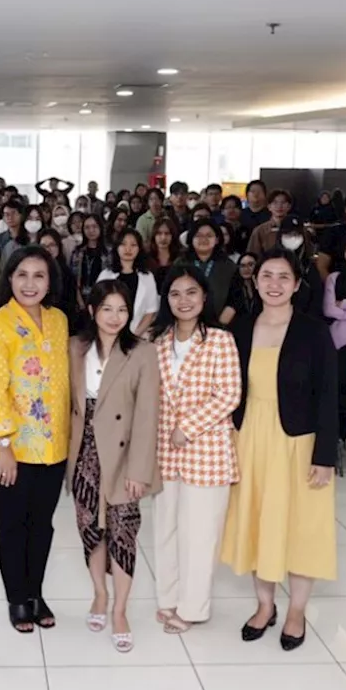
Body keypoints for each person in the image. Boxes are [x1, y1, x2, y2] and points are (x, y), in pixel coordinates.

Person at [222, 247, 338, 652]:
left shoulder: (313, 331)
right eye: (266, 276)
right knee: (258, 521)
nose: (274, 284)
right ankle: (265, 605)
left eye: (283, 277)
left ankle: (296, 611)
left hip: (298, 441)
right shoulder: (241, 328)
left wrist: (326, 455)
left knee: (301, 525)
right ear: (255, 281)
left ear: (296, 284)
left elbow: (328, 396)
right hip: (251, 435)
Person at [0, 246, 70, 633]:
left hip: (53, 445)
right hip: (11, 447)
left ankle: (35, 591)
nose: (30, 284)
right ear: (9, 279)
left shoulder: (59, 320)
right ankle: (17, 597)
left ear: (50, 281)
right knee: (13, 522)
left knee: (43, 524)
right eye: (22, 275)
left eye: (39, 275)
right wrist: (3, 448)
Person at [67, 280, 161, 652]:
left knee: (123, 531)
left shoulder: (143, 352)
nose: (115, 317)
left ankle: (120, 609)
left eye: (122, 309)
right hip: (85, 450)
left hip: (124, 453)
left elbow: (147, 415)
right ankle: (99, 595)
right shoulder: (76, 347)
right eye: (107, 308)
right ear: (93, 310)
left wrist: (140, 470)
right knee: (90, 527)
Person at [149, 266, 242, 633]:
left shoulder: (220, 340)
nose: (183, 300)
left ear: (204, 298)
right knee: (166, 530)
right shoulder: (158, 343)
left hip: (207, 452)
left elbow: (230, 395)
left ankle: (192, 608)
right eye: (175, 293)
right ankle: (168, 599)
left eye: (191, 293)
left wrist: (185, 429)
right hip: (165, 455)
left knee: (200, 534)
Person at [97, 229, 159, 336]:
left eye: (133, 245)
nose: (128, 249)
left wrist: (135, 335)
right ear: (116, 247)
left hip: (137, 334)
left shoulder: (147, 277)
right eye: (123, 244)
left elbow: (150, 311)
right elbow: (97, 307)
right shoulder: (106, 275)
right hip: (107, 334)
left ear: (139, 249)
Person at [181, 218, 238, 320]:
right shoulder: (180, 264)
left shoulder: (229, 266)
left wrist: (220, 326)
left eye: (209, 235)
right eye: (198, 235)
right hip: (185, 322)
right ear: (191, 238)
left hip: (221, 325)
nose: (204, 239)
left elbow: (236, 300)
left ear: (217, 239)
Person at [276, 216, 325, 320]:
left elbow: (317, 296)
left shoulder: (308, 265)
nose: (292, 238)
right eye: (288, 235)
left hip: (304, 319)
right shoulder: (271, 261)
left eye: (296, 234)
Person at [247, 189, 309, 256]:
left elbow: (308, 253)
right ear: (269, 207)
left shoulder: (299, 228)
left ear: (289, 206)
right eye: (275, 202)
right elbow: (252, 256)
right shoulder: (260, 231)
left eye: (283, 202)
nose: (279, 206)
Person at [36, 228, 77, 319]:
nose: (47, 249)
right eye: (43, 246)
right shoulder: (33, 271)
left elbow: (70, 304)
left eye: (52, 245)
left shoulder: (67, 273)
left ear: (59, 247)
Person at [71, 214, 108, 312]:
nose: (91, 230)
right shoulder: (77, 252)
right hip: (80, 299)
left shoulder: (108, 252)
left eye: (95, 226)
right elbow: (73, 279)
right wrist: (80, 301)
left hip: (102, 298)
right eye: (87, 227)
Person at [147, 217, 185, 289]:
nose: (163, 238)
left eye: (167, 233)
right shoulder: (147, 258)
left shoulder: (181, 258)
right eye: (159, 233)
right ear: (154, 236)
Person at [224, 251, 261, 325]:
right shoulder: (234, 290)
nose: (246, 269)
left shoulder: (264, 288)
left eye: (250, 265)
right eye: (242, 266)